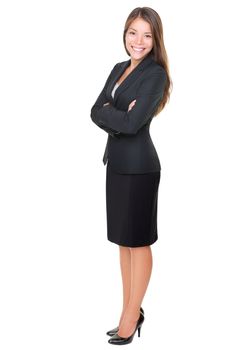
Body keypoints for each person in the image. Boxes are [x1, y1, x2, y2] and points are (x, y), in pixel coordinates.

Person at [90, 6, 172, 345]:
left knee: (139, 242)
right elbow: (94, 111)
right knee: (123, 242)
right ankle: (129, 309)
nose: (138, 41)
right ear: (125, 34)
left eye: (146, 35)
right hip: (117, 165)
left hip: (140, 168)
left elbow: (134, 123)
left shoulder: (156, 74)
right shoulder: (118, 69)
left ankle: (131, 316)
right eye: (133, 32)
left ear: (155, 40)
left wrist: (115, 113)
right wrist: (116, 113)